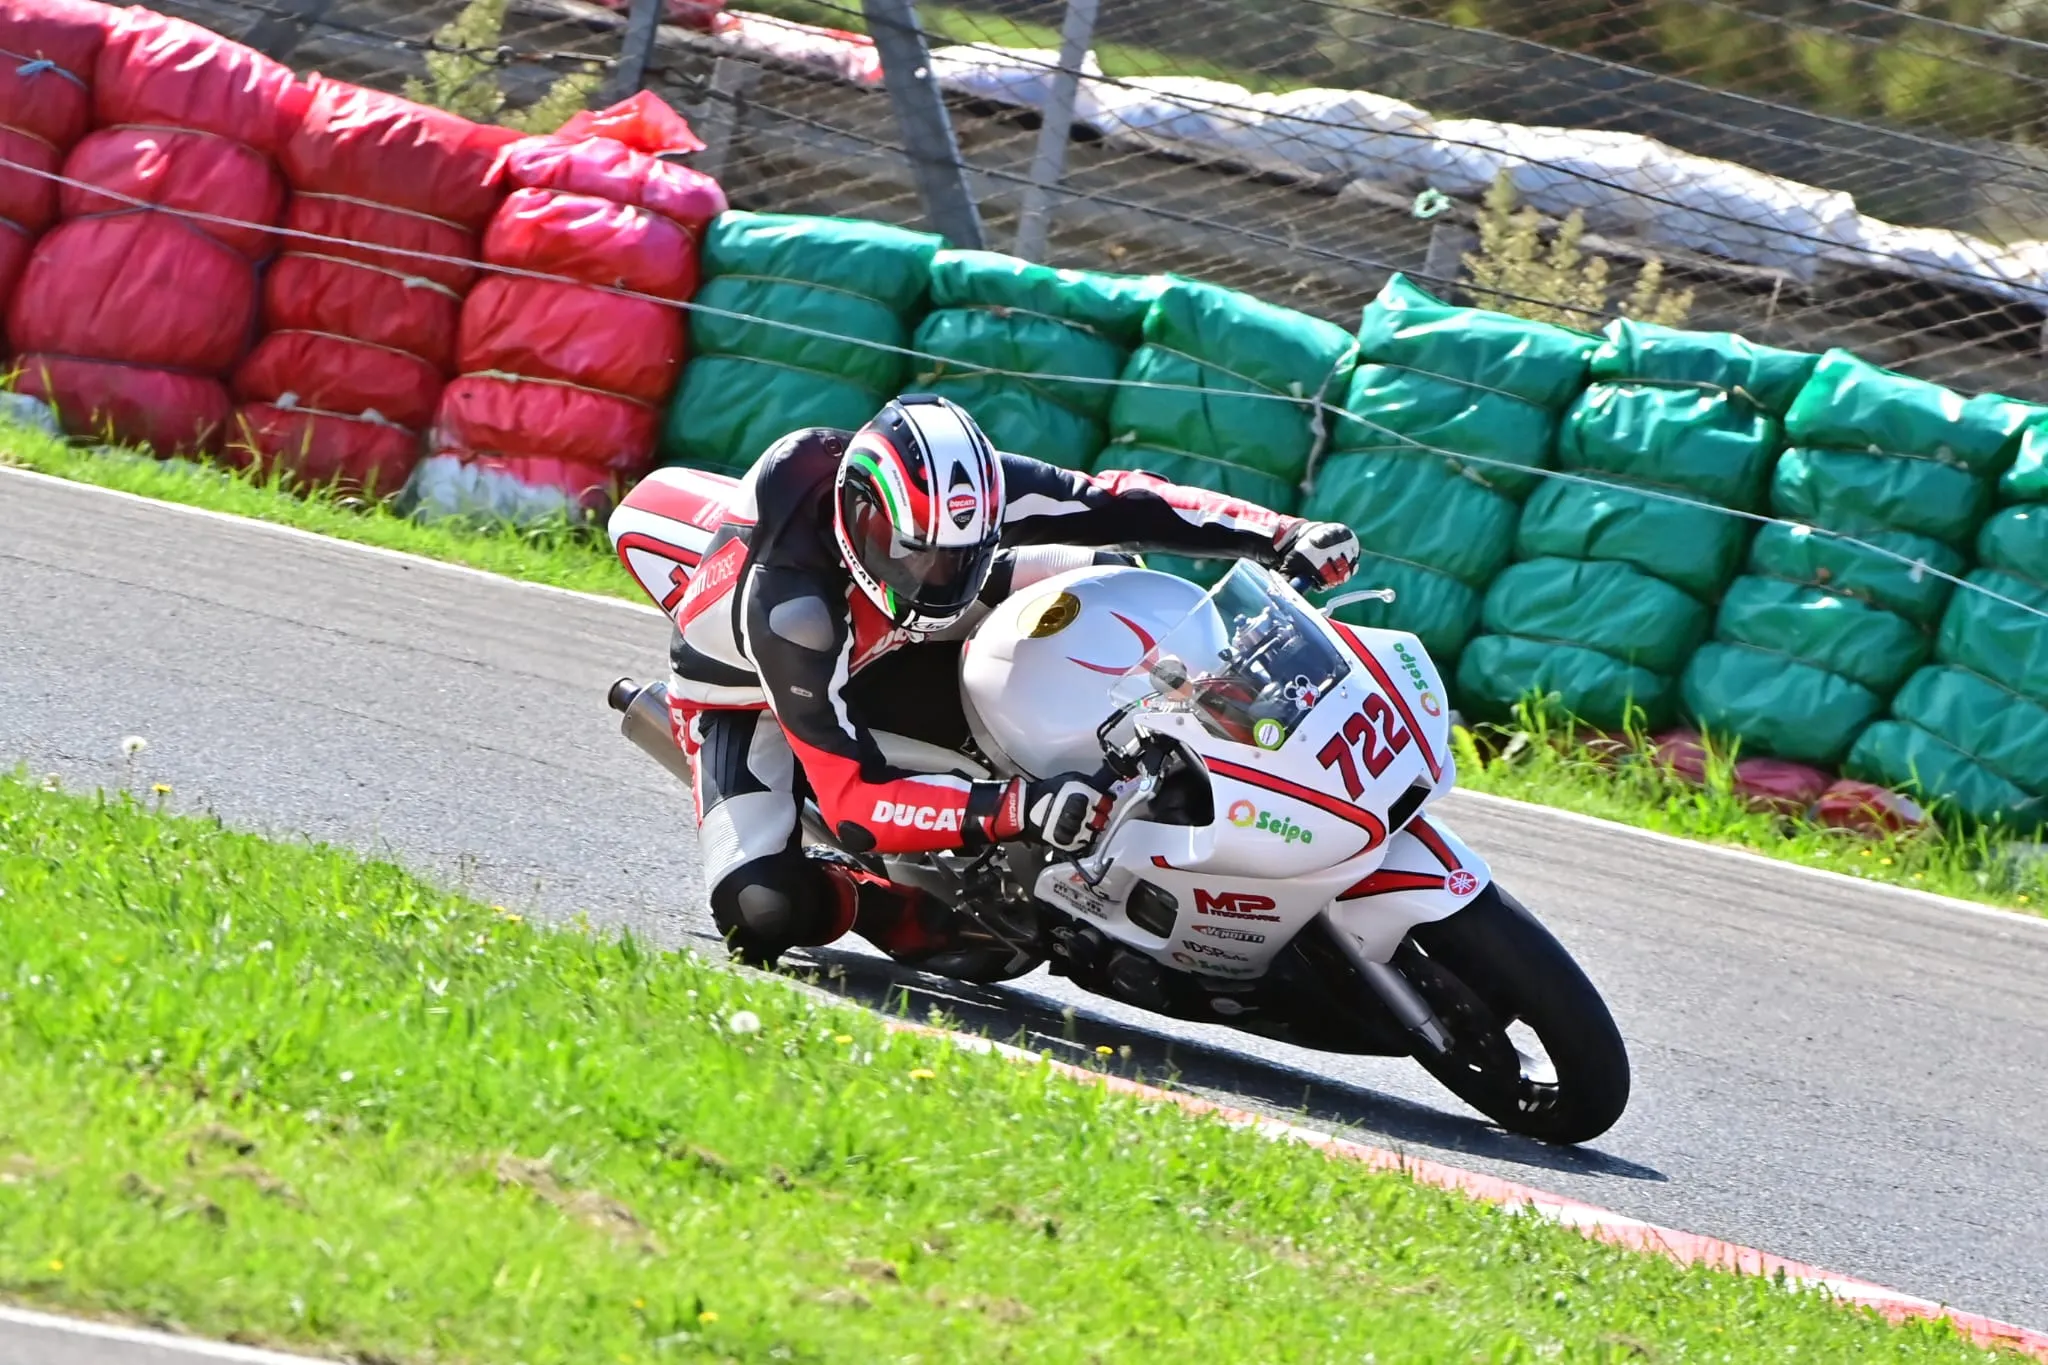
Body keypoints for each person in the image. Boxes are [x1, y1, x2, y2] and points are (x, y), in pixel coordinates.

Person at [666, 393, 1360, 966]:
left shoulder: (960, 503)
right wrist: (1018, 807)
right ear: (862, 516)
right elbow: (857, 801)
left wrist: (1279, 533)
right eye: (918, 558)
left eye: (957, 557)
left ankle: (1230, 726)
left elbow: (1114, 499)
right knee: (762, 907)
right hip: (755, 700)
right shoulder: (793, 610)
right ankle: (880, 898)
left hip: (895, 625)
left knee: (1110, 568)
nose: (935, 579)